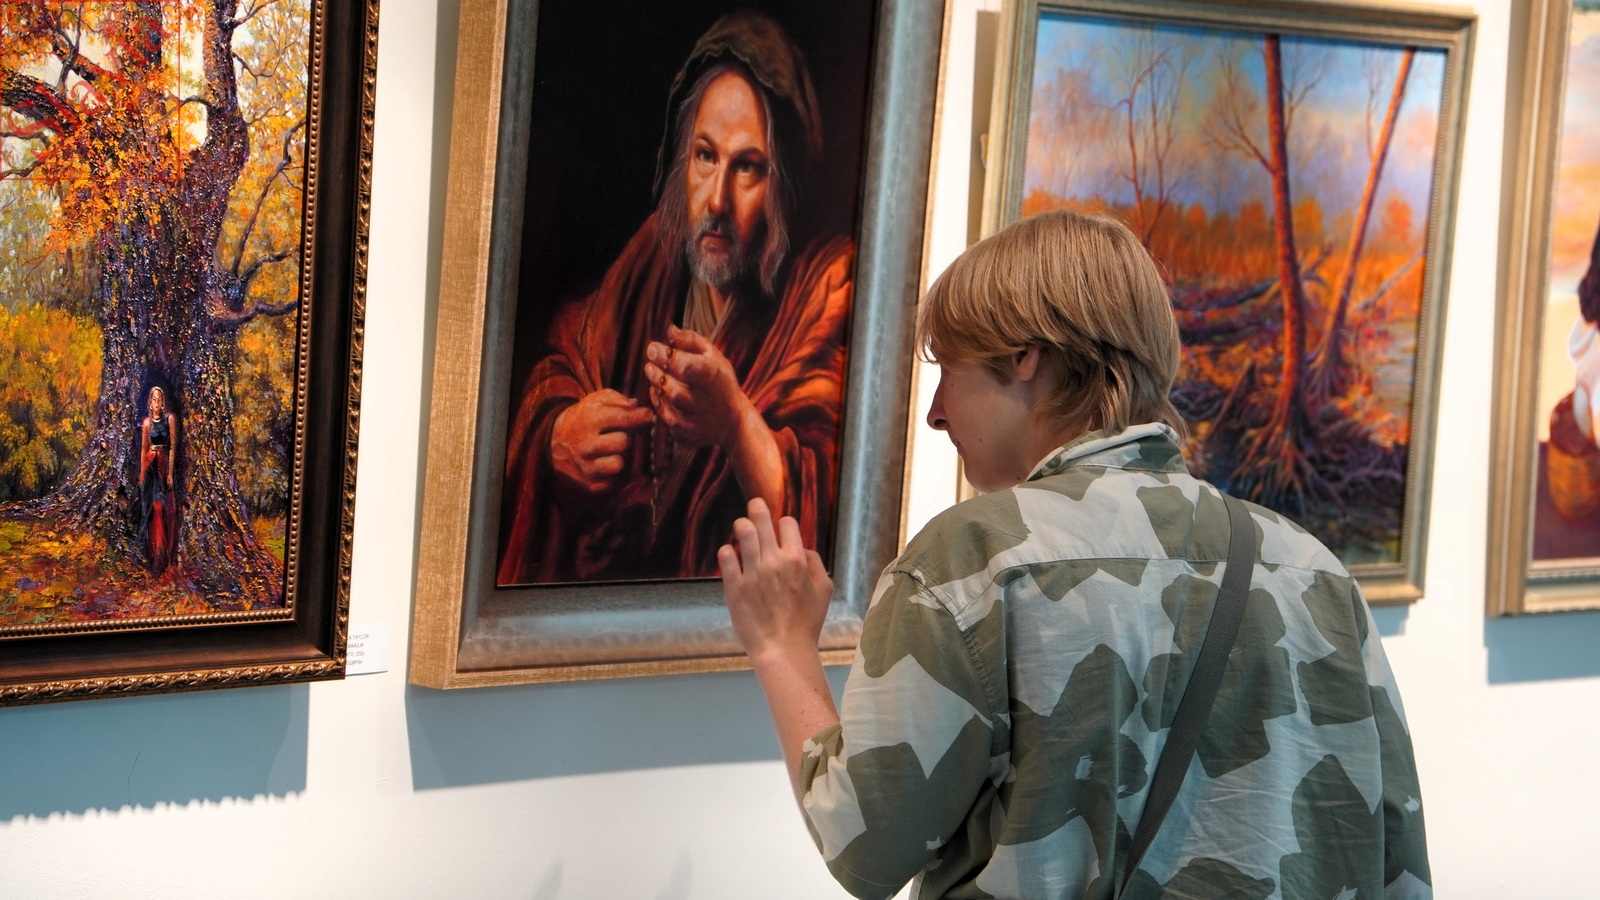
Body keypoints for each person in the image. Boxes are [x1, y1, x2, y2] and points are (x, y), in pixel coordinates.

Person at [720, 209, 1430, 899]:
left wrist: (783, 646)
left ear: (1024, 356)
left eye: (951, 370)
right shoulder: (1314, 572)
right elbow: (1395, 864)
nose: (935, 411)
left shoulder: (974, 561)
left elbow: (866, 848)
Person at [497, 11, 854, 584]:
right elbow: (567, 358)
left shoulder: (828, 284)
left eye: (747, 167)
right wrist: (557, 436)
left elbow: (829, 499)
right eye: (705, 156)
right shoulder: (657, 255)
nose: (716, 200)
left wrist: (734, 423)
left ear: (782, 182)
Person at [139, 385, 179, 575]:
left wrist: (170, 472)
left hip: (164, 465)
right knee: (154, 508)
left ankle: (168, 556)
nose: (157, 403)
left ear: (163, 402)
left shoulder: (169, 419)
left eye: (159, 399)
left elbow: (172, 447)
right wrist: (142, 473)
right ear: (150, 402)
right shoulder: (147, 423)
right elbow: (144, 449)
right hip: (151, 466)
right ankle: (155, 555)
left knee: (168, 509)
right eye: (154, 399)